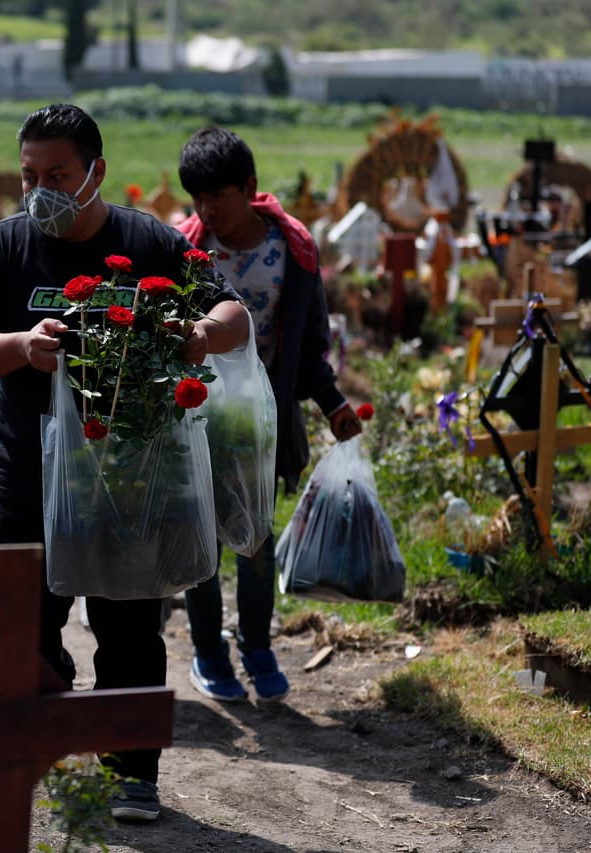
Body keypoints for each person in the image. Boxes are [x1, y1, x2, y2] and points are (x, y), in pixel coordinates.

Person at [0, 105, 248, 822]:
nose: (39, 190)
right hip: (28, 480)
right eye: (29, 175)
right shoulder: (5, 247)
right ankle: (34, 751)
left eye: (57, 175)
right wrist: (21, 346)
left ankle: (131, 772)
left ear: (97, 173)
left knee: (129, 630)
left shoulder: (150, 242)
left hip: (130, 484)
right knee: (22, 632)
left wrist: (200, 332)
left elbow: (231, 312)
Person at [175, 126, 363, 704]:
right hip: (195, 417)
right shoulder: (185, 248)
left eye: (218, 196)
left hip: (261, 424)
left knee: (255, 538)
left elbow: (307, 349)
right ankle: (210, 654)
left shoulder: (292, 252)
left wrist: (332, 404)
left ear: (250, 188)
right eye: (197, 198)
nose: (207, 210)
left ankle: (257, 646)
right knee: (201, 541)